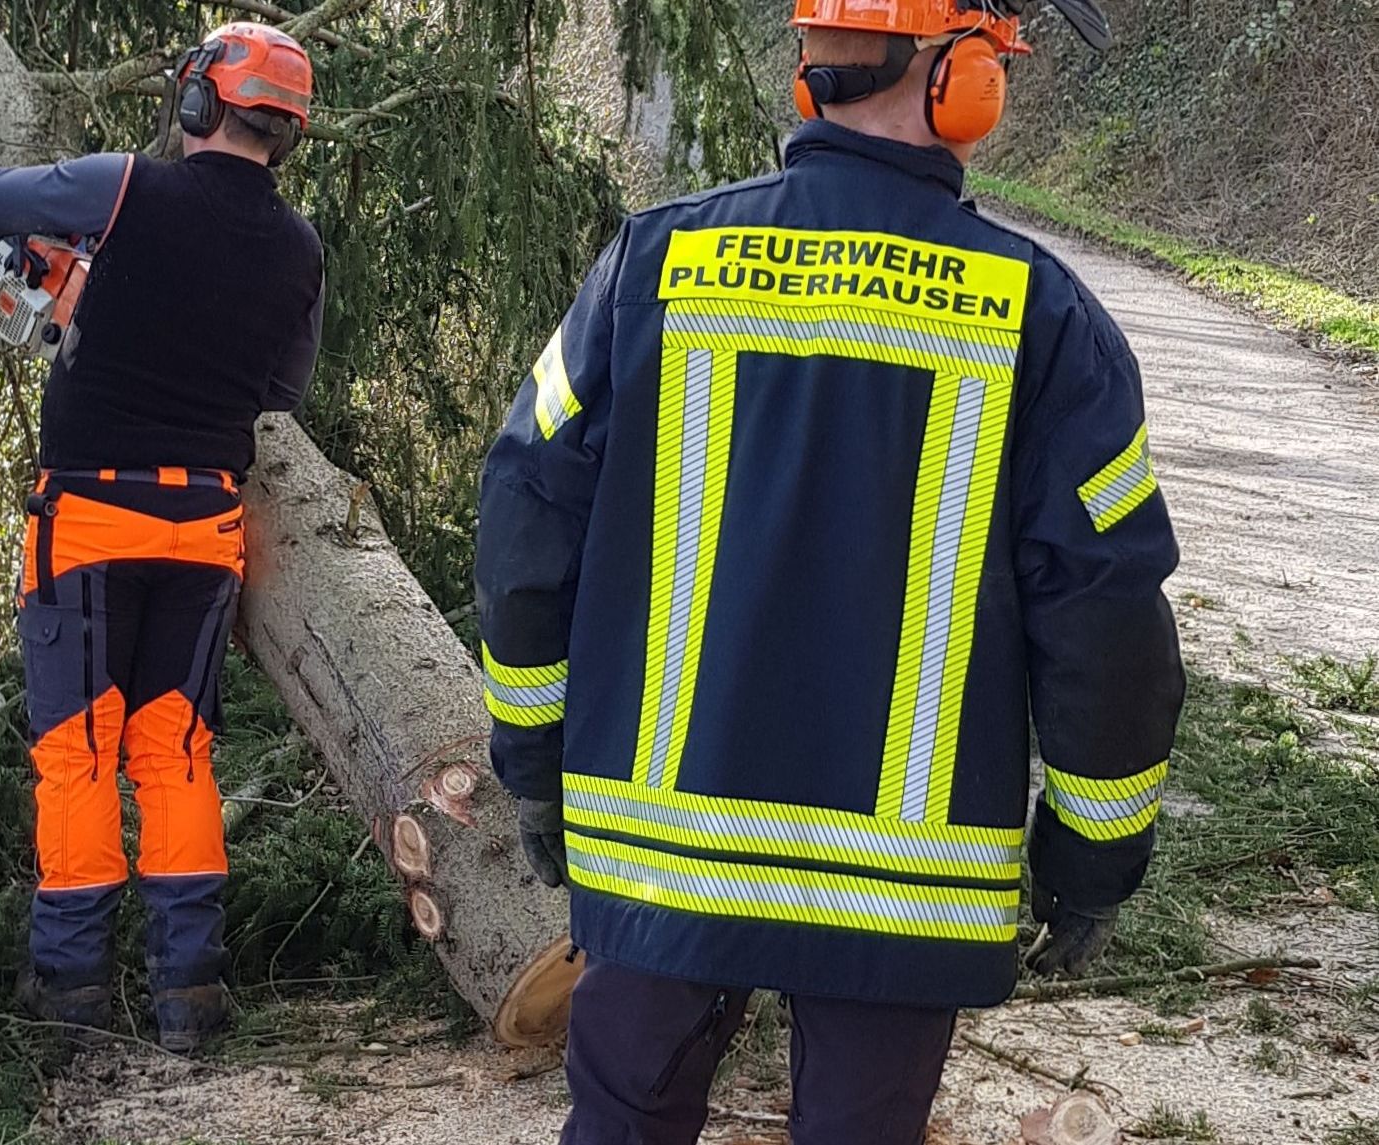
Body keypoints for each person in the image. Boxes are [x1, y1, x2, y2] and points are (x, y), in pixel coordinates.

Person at [474, 1, 1184, 1140]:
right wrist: (1093, 852)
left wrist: (531, 755)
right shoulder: (1039, 317)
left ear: (809, 71)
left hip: (665, 858)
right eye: (992, 67)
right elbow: (1103, 614)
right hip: (898, 889)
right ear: (957, 81)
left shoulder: (655, 261)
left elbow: (523, 509)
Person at [0, 22, 323, 1053]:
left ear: (198, 102)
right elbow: (280, 388)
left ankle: (69, 1001)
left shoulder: (128, 189)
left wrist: (81, 283)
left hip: (90, 514)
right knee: (176, 748)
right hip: (205, 521)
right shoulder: (299, 248)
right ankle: (187, 995)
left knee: (78, 752)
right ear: (284, 130)